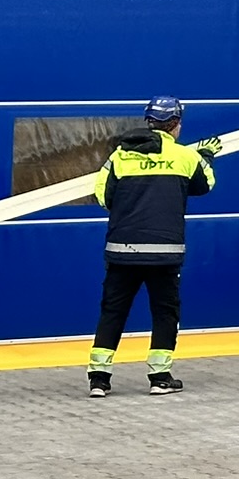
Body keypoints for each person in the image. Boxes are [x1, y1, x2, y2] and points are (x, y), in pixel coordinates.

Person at [85, 96, 220, 396]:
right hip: (164, 253)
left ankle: (99, 379)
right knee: (164, 312)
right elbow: (205, 184)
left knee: (113, 311)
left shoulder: (120, 156)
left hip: (122, 250)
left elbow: (103, 196)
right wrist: (206, 155)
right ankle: (160, 377)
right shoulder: (186, 157)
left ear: (149, 121)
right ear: (175, 124)